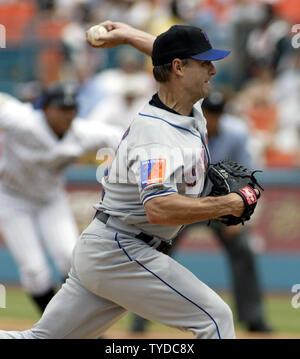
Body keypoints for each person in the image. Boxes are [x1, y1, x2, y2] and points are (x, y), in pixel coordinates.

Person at [0, 21, 261, 339]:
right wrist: (229, 203)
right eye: (205, 62)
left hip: (110, 248)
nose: (213, 69)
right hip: (122, 249)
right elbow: (159, 208)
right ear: (179, 69)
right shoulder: (157, 136)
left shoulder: (185, 106)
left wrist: (127, 36)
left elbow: (167, 53)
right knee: (215, 319)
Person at [130, 91, 272, 334]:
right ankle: (139, 321)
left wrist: (237, 217)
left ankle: (254, 318)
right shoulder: (188, 128)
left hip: (219, 206)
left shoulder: (236, 133)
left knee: (244, 248)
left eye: (218, 114)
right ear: (204, 113)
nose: (214, 119)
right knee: (154, 249)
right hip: (183, 202)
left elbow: (248, 177)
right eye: (211, 113)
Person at [0, 83, 122, 313]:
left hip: (50, 200)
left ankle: (81, 326)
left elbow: (121, 137)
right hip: (11, 197)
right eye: (62, 108)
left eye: (72, 108)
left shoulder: (81, 133)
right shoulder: (22, 120)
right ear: (45, 108)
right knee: (34, 271)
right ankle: (55, 328)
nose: (69, 114)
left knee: (73, 260)